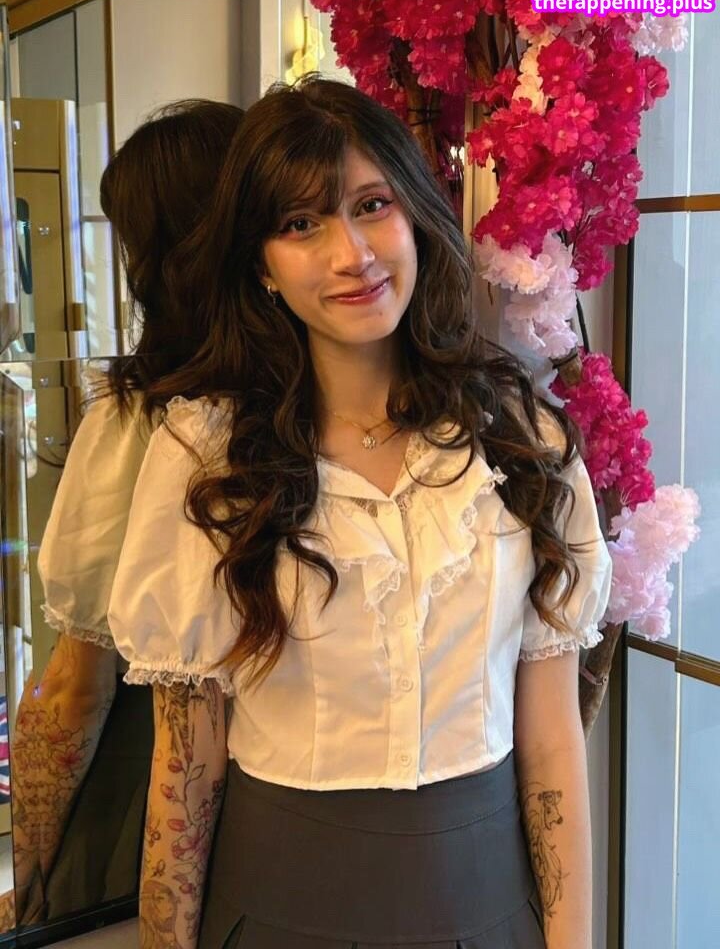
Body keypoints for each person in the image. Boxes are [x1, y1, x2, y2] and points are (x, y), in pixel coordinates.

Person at [107, 75, 612, 949]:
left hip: (489, 910)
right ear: (261, 265)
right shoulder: (207, 456)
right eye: (301, 224)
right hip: (274, 911)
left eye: (372, 205)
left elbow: (552, 746)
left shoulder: (521, 441)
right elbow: (186, 767)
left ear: (416, 215)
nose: (351, 254)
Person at [2, 98, 243, 930]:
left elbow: (76, 684)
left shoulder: (144, 419)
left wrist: (32, 875)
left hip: (151, 789)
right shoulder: (332, 401)